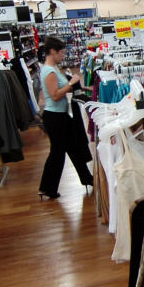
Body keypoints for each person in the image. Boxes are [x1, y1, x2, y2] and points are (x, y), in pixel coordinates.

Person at [38, 36, 92, 199]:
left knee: (73, 147)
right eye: (61, 52)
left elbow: (63, 91)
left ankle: (87, 178)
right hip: (54, 118)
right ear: (52, 51)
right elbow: (54, 95)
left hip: (60, 115)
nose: (63, 55)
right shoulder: (49, 71)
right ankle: (47, 187)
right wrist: (72, 82)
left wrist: (84, 88)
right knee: (57, 152)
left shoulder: (53, 69)